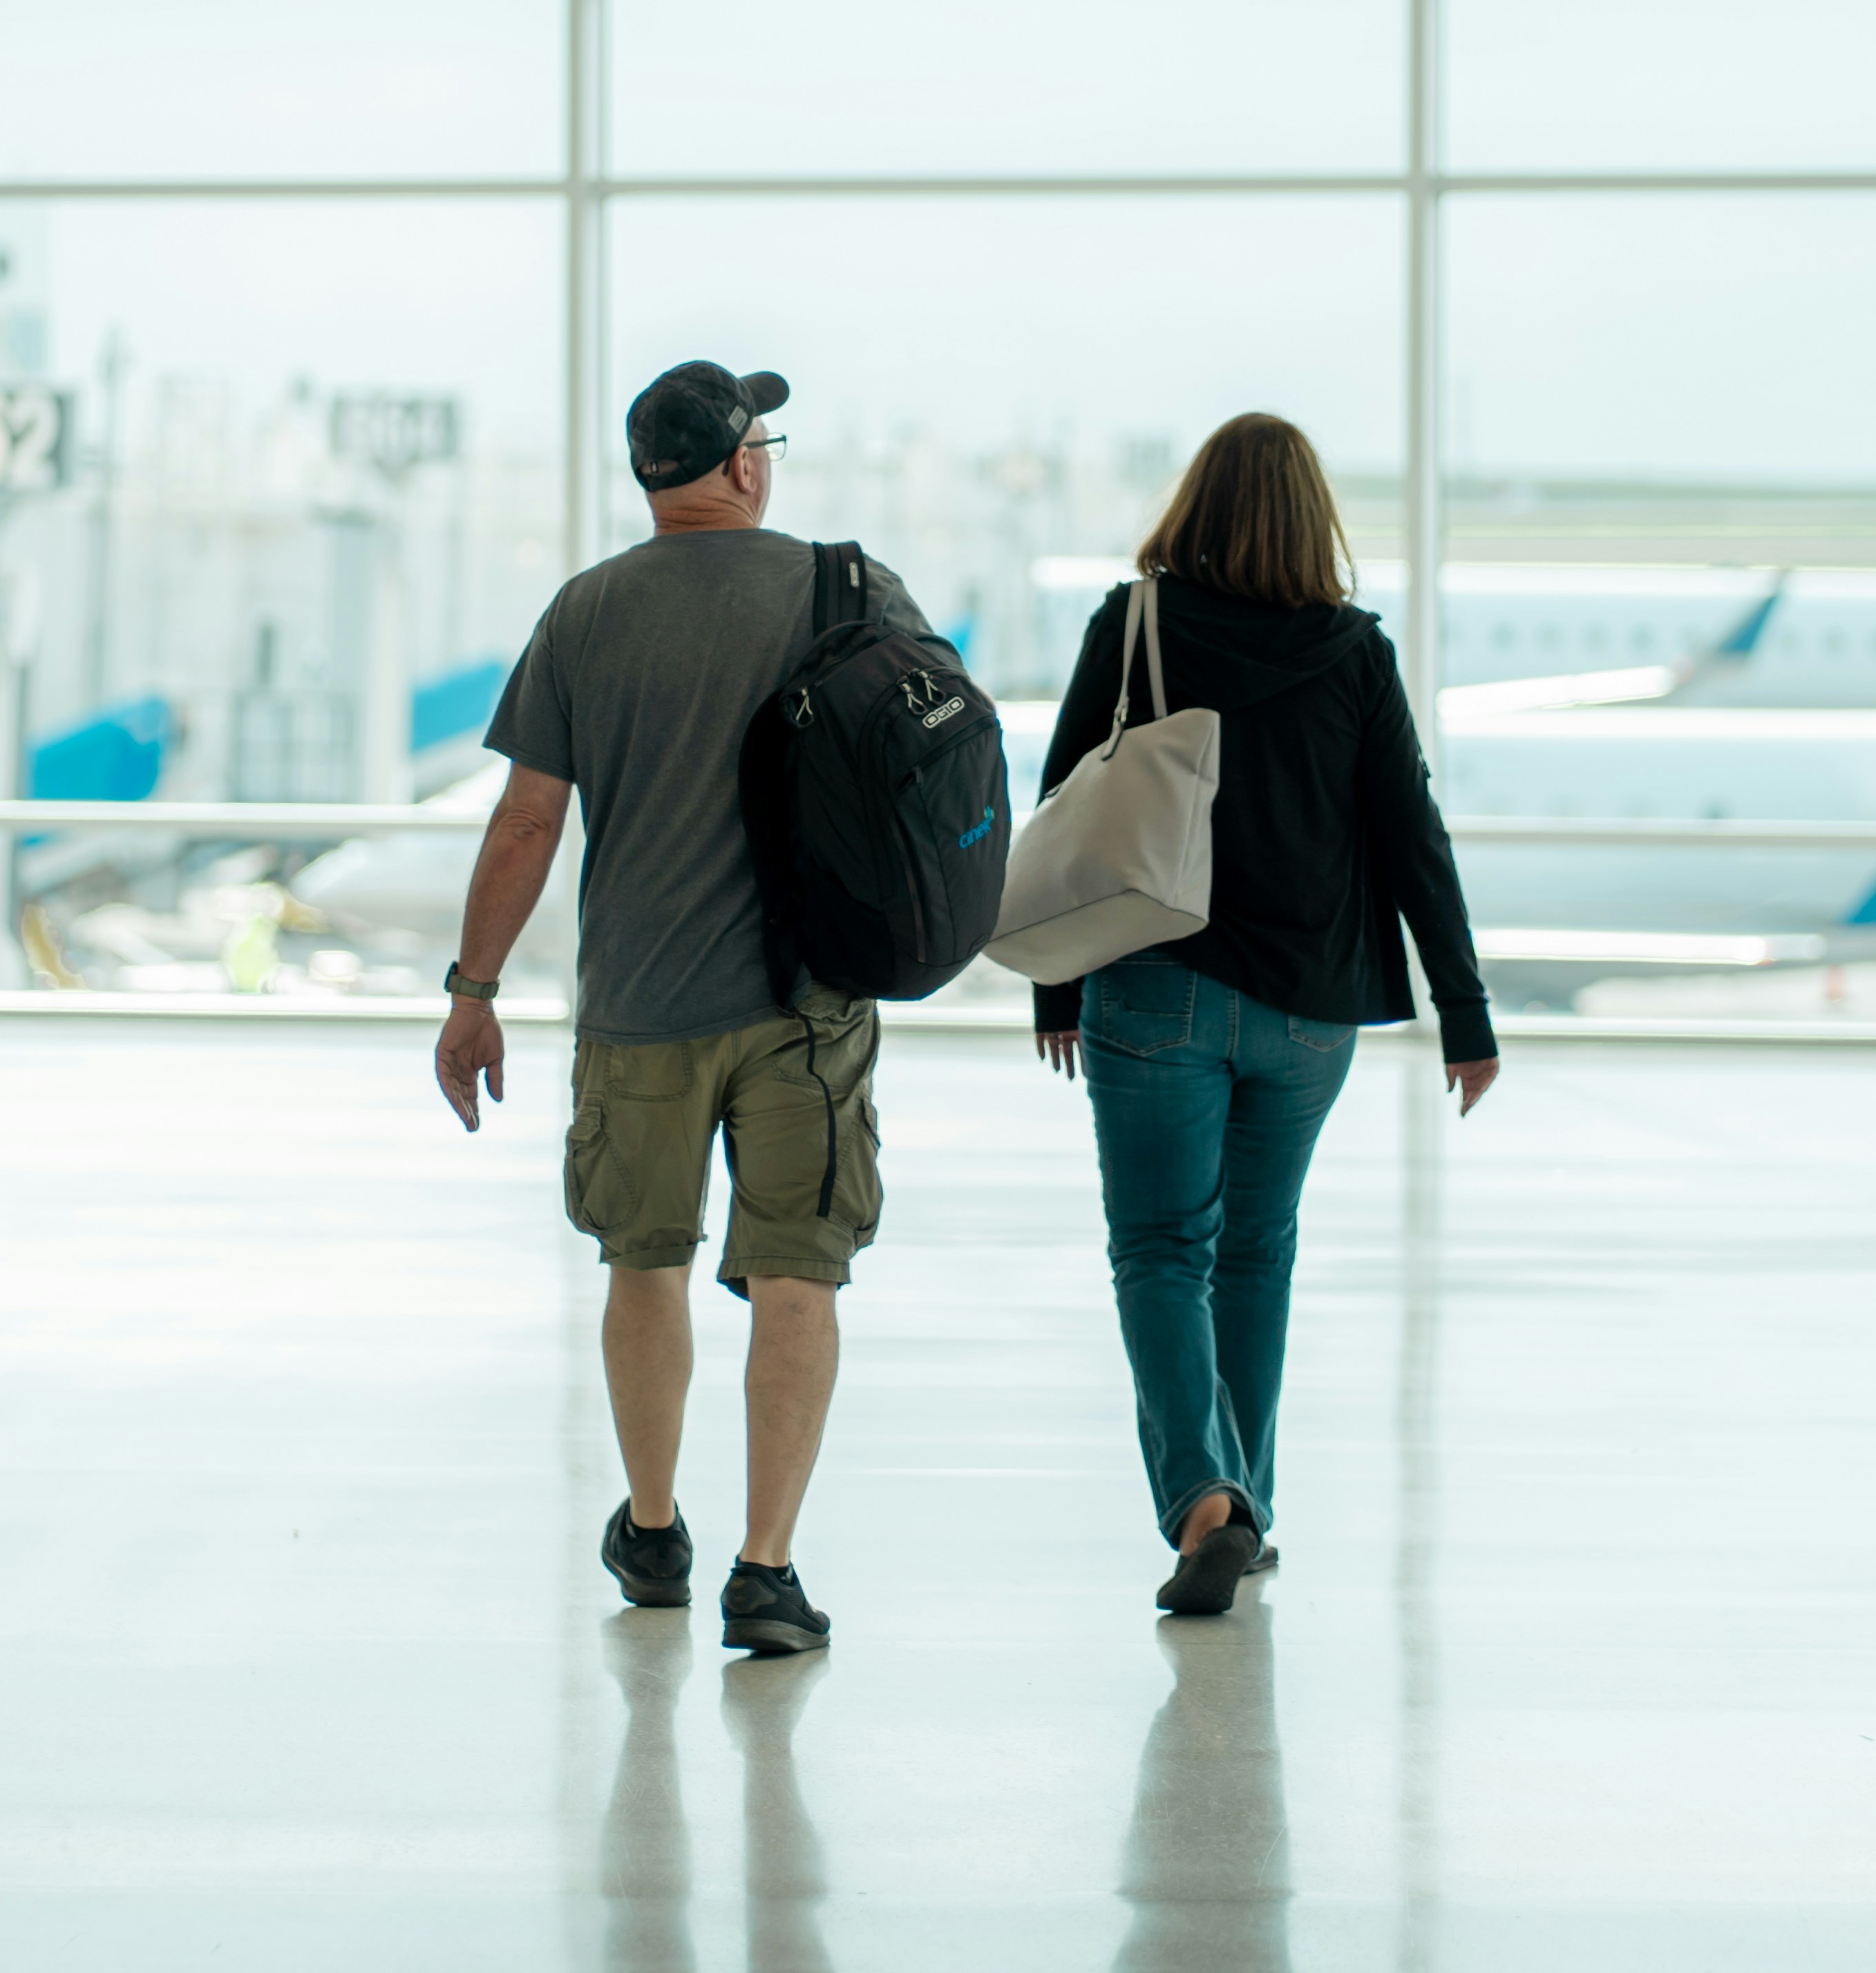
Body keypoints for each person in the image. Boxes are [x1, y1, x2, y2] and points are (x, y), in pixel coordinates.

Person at [435, 359, 945, 1658]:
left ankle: (654, 1530)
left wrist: (473, 993)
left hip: (639, 1007)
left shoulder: (587, 613)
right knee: (797, 1274)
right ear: (742, 466)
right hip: (806, 1002)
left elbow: (528, 819)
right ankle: (764, 1570)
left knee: (641, 1262)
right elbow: (935, 749)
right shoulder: (847, 588)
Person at [1032, 412, 1500, 1616]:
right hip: (1309, 1010)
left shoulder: (1134, 622)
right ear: (1311, 519)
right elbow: (1410, 830)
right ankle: (1244, 1501)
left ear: (1192, 502)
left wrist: (1053, 980)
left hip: (1153, 985)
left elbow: (1065, 808)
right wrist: (1464, 1009)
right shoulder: (1351, 652)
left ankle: (1205, 1500)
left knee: (1159, 1250)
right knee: (1255, 1247)